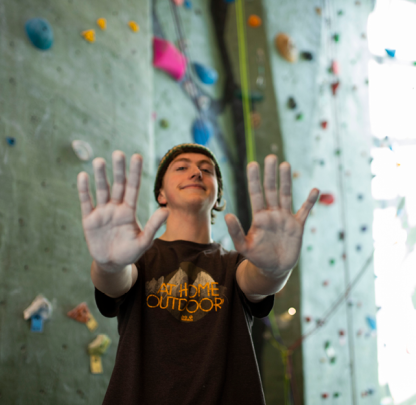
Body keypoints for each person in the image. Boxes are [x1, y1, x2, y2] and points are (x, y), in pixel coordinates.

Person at [77, 143, 319, 405]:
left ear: (217, 198)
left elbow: (259, 281)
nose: (196, 173)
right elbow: (115, 282)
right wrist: (108, 265)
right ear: (161, 194)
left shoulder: (236, 265)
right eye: (182, 167)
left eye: (207, 170)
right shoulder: (138, 260)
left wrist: (275, 269)